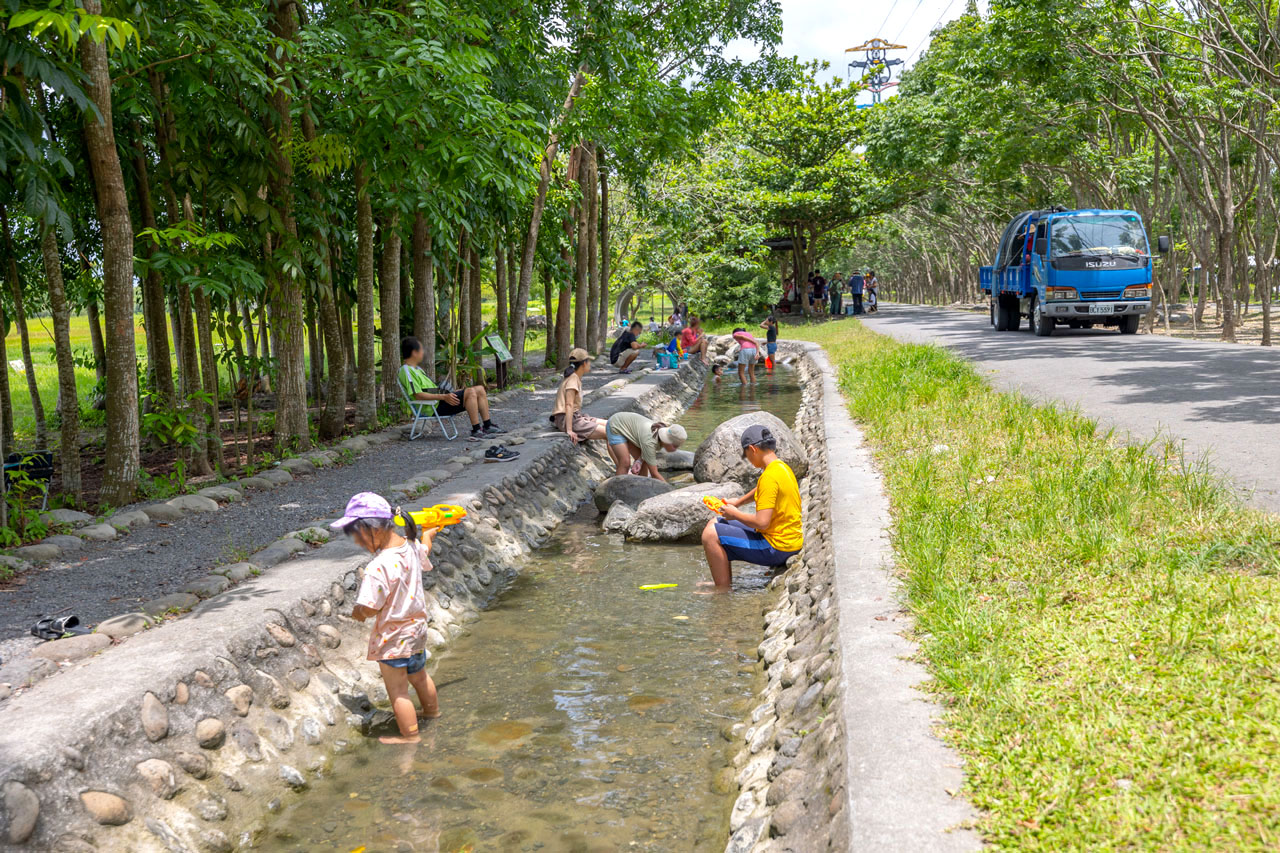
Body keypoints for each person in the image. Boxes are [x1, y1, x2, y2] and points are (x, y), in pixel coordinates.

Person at [333, 492, 440, 744]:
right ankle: (432, 713)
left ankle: (410, 737)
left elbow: (370, 607)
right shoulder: (411, 547)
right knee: (420, 676)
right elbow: (425, 548)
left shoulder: (377, 567)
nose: (357, 542)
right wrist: (429, 534)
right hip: (417, 631)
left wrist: (358, 612)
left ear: (374, 530)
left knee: (398, 691)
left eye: (358, 535)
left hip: (393, 638)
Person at [700, 425, 803, 589]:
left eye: (746, 454)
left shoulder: (769, 477)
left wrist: (734, 514)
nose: (747, 459)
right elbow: (761, 489)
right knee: (714, 522)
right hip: (789, 539)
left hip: (777, 547)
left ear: (753, 449)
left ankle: (722, 591)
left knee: (710, 535)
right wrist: (738, 502)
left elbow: (762, 523)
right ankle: (722, 580)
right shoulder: (781, 467)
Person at [398, 336, 505, 442]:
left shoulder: (417, 369)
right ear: (414, 352)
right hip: (432, 407)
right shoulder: (406, 371)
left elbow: (428, 390)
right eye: (421, 349)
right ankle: (476, 430)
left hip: (439, 401)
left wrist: (449, 393)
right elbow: (418, 395)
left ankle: (487, 425)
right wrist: (444, 397)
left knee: (480, 389)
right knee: (470, 392)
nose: (423, 352)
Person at [604, 411, 687, 480]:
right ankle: (617, 488)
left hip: (628, 428)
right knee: (625, 463)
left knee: (644, 464)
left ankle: (641, 486)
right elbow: (654, 474)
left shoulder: (658, 434)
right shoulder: (650, 442)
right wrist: (671, 490)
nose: (675, 449)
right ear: (667, 441)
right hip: (616, 425)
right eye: (675, 446)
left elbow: (645, 452)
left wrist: (639, 461)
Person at [551, 347, 607, 444]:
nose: (590, 364)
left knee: (611, 425)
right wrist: (569, 430)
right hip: (568, 420)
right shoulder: (573, 379)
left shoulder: (574, 377)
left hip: (576, 417)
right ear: (584, 363)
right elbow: (569, 404)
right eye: (589, 361)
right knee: (611, 433)